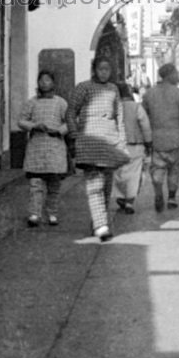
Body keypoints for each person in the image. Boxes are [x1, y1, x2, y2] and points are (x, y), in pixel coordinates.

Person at [67, 57, 127, 242]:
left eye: (107, 69)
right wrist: (74, 133)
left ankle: (98, 221)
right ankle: (102, 226)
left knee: (107, 184)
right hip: (88, 141)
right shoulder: (83, 87)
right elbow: (71, 112)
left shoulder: (113, 89)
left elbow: (119, 116)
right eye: (100, 69)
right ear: (94, 69)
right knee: (95, 184)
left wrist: (121, 141)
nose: (103, 73)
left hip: (109, 142)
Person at [18, 70, 69, 228]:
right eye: (42, 80)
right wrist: (34, 126)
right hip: (36, 148)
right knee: (36, 183)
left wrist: (60, 130)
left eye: (48, 80)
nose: (45, 83)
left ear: (53, 83)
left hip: (55, 148)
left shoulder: (61, 103)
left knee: (54, 185)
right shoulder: (32, 102)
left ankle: (52, 213)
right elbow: (21, 121)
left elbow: (71, 122)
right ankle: (35, 214)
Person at [142, 63, 179, 211]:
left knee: (157, 168)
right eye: (175, 73)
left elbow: (144, 116)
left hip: (156, 138)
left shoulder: (149, 94)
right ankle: (172, 197)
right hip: (175, 138)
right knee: (174, 169)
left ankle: (158, 192)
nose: (177, 75)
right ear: (170, 75)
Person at [111, 82, 152, 214]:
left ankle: (120, 196)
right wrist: (148, 142)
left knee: (117, 173)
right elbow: (145, 125)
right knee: (134, 174)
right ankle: (129, 201)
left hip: (116, 145)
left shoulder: (112, 107)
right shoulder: (136, 107)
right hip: (135, 145)